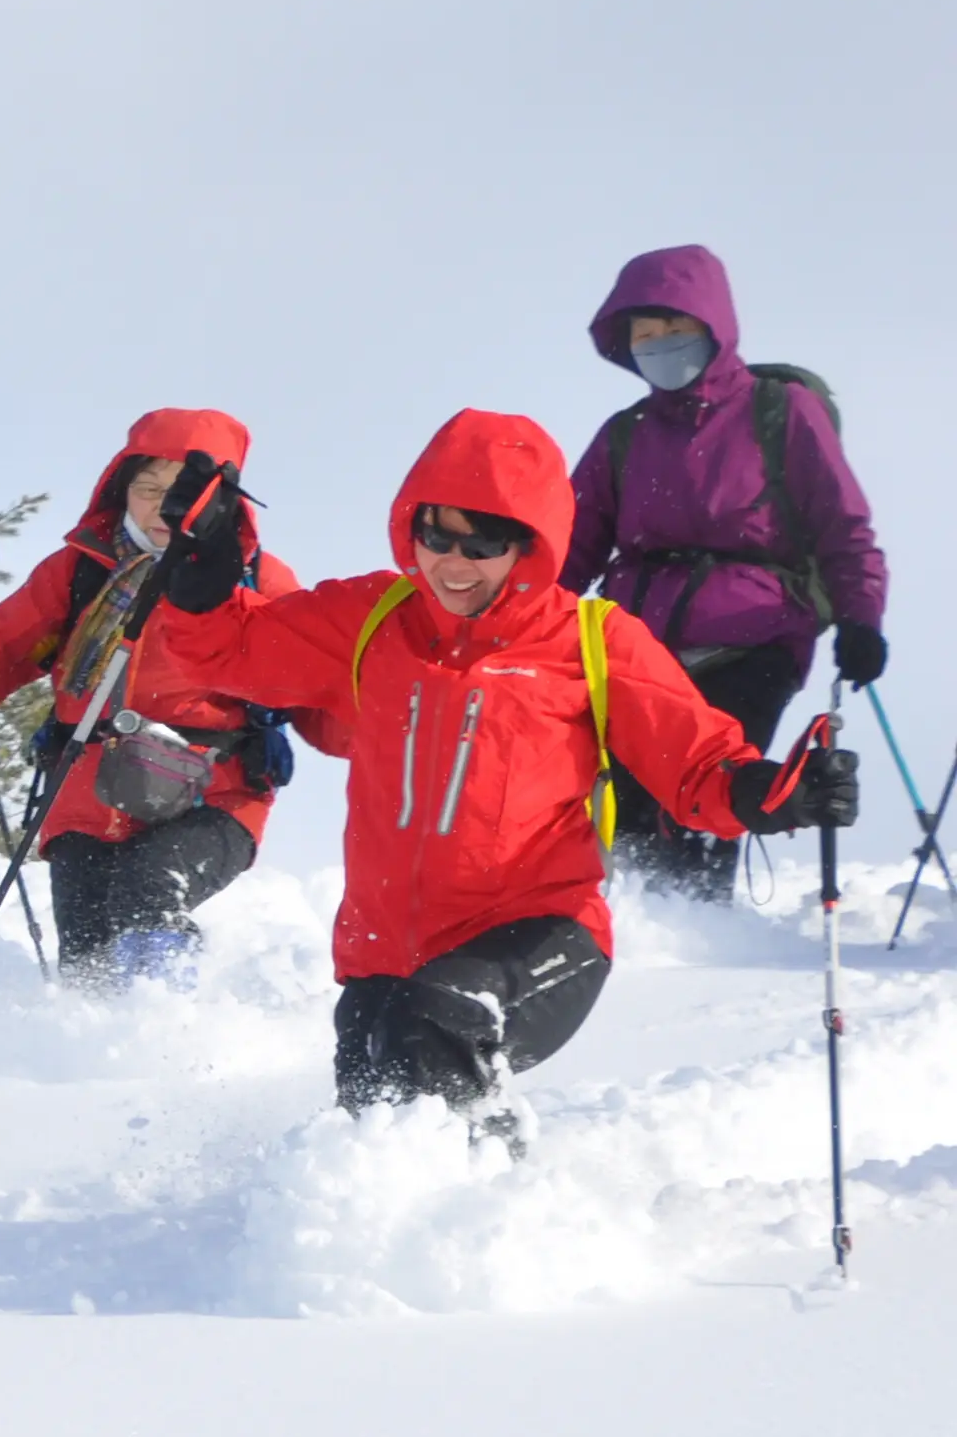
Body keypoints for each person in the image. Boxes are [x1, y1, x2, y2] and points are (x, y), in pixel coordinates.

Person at [146, 413, 856, 1125]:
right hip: (384, 955)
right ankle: (462, 1214)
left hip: (540, 937)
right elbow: (225, 653)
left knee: (439, 1026)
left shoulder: (591, 641)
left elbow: (700, 767)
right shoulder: (371, 618)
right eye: (434, 536)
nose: (450, 565)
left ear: (530, 545)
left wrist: (778, 795)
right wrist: (205, 574)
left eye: (481, 543)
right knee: (374, 1116)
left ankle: (492, 1203)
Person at [0, 408, 305, 983]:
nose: (166, 507)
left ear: (223, 499)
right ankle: (93, 1056)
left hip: (215, 797)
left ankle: (166, 1031)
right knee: (86, 954)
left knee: (149, 890)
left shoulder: (259, 581)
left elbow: (318, 678)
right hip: (86, 799)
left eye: (186, 492)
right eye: (148, 489)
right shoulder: (79, 571)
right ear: (121, 488)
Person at [564, 245, 893, 902]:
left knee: (710, 782)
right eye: (645, 336)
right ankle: (633, 926)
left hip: (755, 638)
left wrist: (861, 618)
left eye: (674, 330)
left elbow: (842, 522)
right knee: (625, 796)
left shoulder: (780, 411)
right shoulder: (623, 436)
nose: (659, 346)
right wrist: (520, 622)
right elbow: (570, 547)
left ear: (713, 327)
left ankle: (699, 933)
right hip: (639, 648)